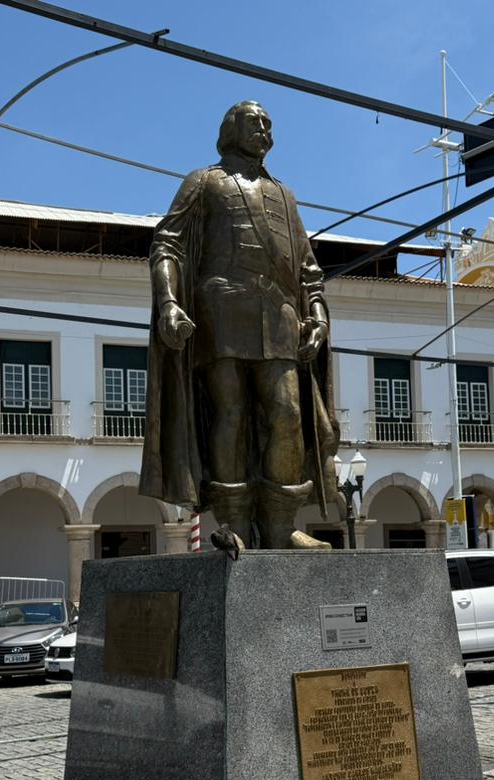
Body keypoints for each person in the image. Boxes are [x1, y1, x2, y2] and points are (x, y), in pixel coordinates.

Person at [140, 100, 340, 549]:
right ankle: (233, 526)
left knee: (287, 413)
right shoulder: (205, 181)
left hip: (281, 318)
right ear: (231, 129)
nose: (265, 131)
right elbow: (167, 244)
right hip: (222, 311)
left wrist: (318, 315)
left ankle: (280, 526)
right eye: (255, 123)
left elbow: (308, 270)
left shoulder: (285, 195)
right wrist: (170, 302)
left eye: (269, 124)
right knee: (229, 414)